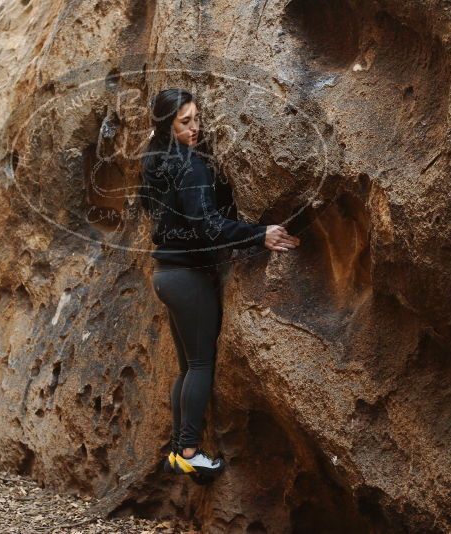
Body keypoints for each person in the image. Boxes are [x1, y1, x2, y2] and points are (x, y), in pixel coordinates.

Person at [138, 88, 300, 481]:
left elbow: (159, 213)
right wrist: (258, 234)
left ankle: (179, 452)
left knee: (186, 367)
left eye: (197, 118)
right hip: (189, 277)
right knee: (200, 364)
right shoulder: (189, 165)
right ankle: (190, 450)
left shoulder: (151, 161)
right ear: (166, 124)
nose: (196, 128)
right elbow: (207, 226)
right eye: (185, 122)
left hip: (165, 274)